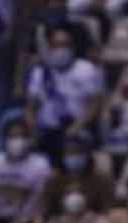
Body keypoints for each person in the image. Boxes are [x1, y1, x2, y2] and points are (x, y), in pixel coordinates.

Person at [24, 25, 105, 163]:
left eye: (65, 45)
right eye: (56, 46)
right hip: (49, 131)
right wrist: (33, 131)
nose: (61, 50)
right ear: (50, 48)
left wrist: (77, 126)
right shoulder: (40, 73)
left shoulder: (86, 69)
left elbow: (95, 104)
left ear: (72, 48)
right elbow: (30, 108)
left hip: (78, 128)